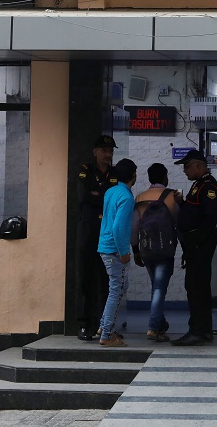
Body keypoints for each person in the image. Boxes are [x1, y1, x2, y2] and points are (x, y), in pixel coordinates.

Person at [171, 149, 217, 346]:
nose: (184, 170)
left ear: (199, 166)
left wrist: (195, 243)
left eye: (187, 166)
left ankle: (198, 331)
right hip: (195, 244)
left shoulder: (208, 187)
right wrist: (182, 203)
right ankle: (203, 330)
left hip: (200, 244)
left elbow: (210, 219)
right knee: (195, 286)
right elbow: (195, 213)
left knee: (197, 287)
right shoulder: (198, 184)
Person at [75, 135, 119, 341]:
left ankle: (104, 325)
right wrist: (103, 197)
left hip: (106, 231)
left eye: (110, 151)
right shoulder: (85, 171)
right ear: (95, 152)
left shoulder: (115, 174)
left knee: (106, 279)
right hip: (87, 229)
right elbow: (83, 196)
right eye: (104, 150)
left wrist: (97, 195)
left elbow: (114, 200)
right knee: (84, 277)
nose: (108, 154)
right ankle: (84, 325)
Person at [132, 162, 179, 342]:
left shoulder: (140, 198)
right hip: (165, 249)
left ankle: (160, 323)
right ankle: (153, 327)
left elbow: (134, 227)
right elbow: (179, 222)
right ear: (165, 177)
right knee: (159, 287)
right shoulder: (172, 196)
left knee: (156, 286)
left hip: (146, 249)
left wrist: (135, 249)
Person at [97, 157, 138, 347]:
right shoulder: (127, 197)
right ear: (134, 175)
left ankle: (103, 326)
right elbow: (119, 227)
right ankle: (107, 334)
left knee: (120, 286)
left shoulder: (110, 191)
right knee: (117, 291)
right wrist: (124, 252)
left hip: (104, 246)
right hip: (115, 250)